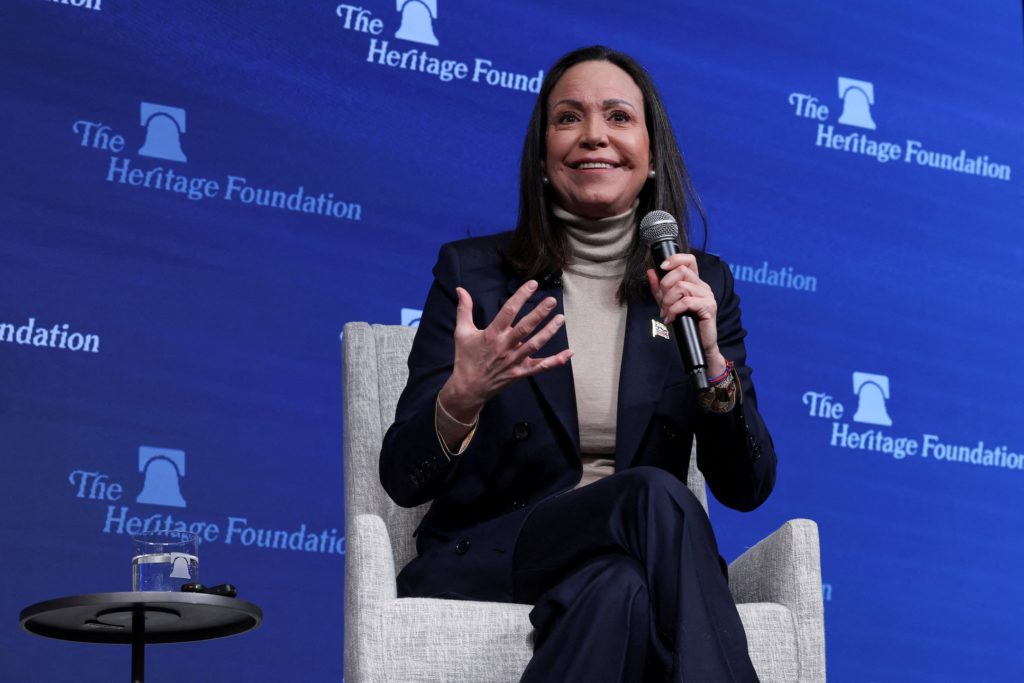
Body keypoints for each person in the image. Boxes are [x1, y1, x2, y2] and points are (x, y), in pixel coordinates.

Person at [380, 45, 776, 682]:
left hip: (635, 561)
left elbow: (747, 488)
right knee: (654, 495)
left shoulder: (698, 283)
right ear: (542, 156)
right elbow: (402, 476)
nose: (594, 134)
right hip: (501, 548)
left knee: (620, 590)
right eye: (569, 118)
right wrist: (464, 395)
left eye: (619, 117)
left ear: (651, 156)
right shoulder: (474, 276)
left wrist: (717, 372)